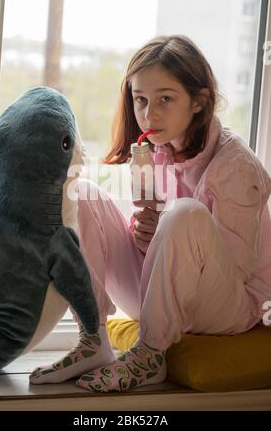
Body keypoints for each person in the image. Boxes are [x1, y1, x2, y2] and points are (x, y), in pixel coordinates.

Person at [29, 35, 271, 393]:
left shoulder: (236, 168)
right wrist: (146, 233)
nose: (149, 113)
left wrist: (167, 227)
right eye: (140, 99)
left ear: (199, 102)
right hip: (167, 298)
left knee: (184, 213)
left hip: (231, 306)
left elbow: (231, 267)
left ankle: (151, 354)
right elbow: (159, 242)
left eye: (166, 99)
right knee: (79, 193)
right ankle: (93, 339)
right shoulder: (158, 147)